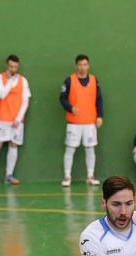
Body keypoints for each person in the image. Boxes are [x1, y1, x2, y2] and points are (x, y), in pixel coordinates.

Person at [0, 54, 31, 186]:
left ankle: (9, 175)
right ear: (6, 66)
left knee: (13, 145)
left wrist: (18, 119)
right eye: (10, 67)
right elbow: (2, 94)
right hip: (1, 119)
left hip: (16, 121)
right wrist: (9, 81)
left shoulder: (23, 81)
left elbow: (25, 101)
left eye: (15, 67)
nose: (13, 70)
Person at [60, 54, 103, 187]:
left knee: (90, 149)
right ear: (76, 66)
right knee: (70, 149)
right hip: (74, 123)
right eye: (80, 65)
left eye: (85, 65)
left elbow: (99, 99)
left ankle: (90, 176)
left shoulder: (94, 80)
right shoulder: (69, 80)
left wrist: (99, 116)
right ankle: (67, 176)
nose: (82, 67)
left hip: (89, 122)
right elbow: (62, 98)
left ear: (88, 66)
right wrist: (70, 108)